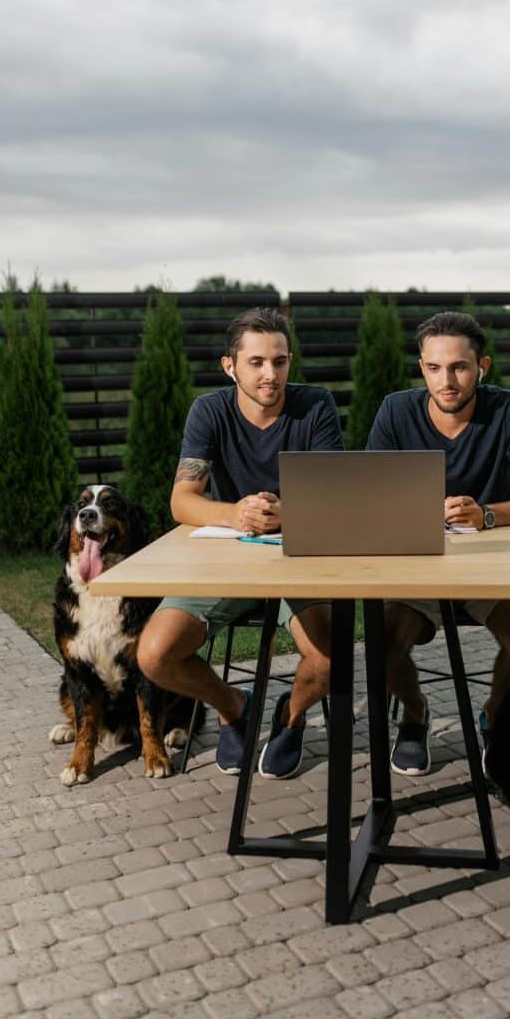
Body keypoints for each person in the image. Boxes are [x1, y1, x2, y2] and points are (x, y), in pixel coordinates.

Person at [137, 307, 344, 779]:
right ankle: (235, 707)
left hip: (298, 557)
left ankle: (289, 718)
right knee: (154, 655)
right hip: (225, 557)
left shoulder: (315, 405)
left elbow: (335, 495)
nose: (270, 374)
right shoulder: (209, 410)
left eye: (280, 361)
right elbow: (181, 500)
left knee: (330, 658)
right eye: (256, 362)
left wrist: (289, 512)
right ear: (230, 366)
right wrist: (235, 514)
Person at [366, 310, 510, 776]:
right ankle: (415, 713)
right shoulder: (396, 410)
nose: (446, 381)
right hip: (418, 564)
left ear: (482, 367)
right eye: (434, 368)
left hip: (491, 564)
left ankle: (495, 715)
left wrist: (487, 514)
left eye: (459, 367)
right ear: (422, 368)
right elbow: (369, 496)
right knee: (381, 640)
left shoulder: (507, 409)